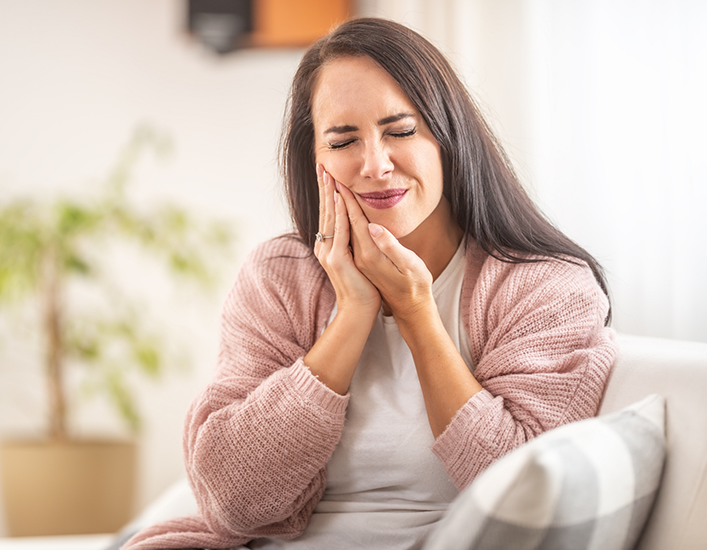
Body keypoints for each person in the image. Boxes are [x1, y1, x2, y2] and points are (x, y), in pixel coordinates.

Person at [123, 17, 616, 550]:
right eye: (343, 141)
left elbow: (524, 495)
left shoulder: (545, 290)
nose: (376, 164)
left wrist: (417, 315)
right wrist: (353, 313)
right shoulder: (279, 277)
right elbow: (231, 498)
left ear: (449, 137)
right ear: (315, 160)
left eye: (401, 131)